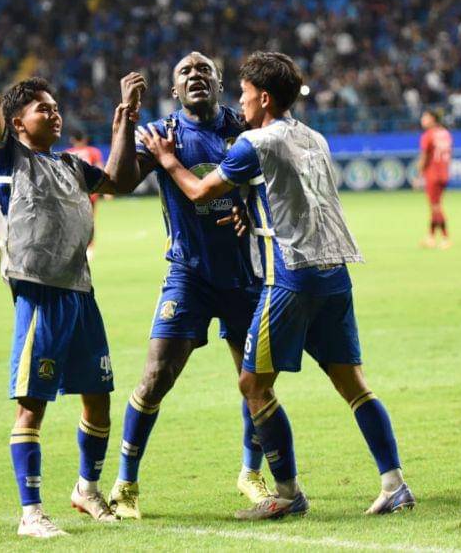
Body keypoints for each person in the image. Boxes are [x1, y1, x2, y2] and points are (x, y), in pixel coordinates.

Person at [137, 51, 415, 520]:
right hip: (335, 272)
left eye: (245, 94)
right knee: (354, 385)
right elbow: (284, 192)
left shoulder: (254, 142)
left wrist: (166, 158)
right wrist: (248, 208)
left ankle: (286, 494)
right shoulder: (314, 137)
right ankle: (394, 484)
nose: (241, 103)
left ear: (264, 98)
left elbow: (200, 191)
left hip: (291, 276)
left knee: (253, 384)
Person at [0, 3, 145, 538]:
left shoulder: (71, 165)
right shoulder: (8, 157)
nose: (54, 115)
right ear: (17, 123)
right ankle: (30, 512)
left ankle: (86, 489)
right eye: (43, 109)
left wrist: (124, 119)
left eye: (57, 108)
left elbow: (119, 180)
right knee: (32, 406)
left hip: (81, 293)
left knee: (98, 399)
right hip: (40, 293)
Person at [107, 51, 272, 519]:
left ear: (219, 84)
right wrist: (126, 117)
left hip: (243, 273)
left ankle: (251, 473)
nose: (195, 75)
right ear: (174, 90)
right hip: (188, 273)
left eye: (205, 70)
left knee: (255, 382)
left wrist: (249, 208)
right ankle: (125, 483)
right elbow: (119, 183)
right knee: (156, 377)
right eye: (186, 72)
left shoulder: (245, 127)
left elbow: (272, 184)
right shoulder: (162, 133)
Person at [65, 131, 104, 259]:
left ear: (72, 140)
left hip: (73, 192)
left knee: (73, 220)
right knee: (90, 220)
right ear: (85, 139)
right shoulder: (93, 151)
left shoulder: (67, 153)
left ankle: (75, 247)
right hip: (90, 191)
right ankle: (90, 247)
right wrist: (104, 191)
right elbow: (100, 169)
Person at [417, 109, 453, 248]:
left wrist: (419, 174)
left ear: (432, 119)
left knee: (436, 206)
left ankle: (445, 237)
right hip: (444, 172)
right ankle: (431, 237)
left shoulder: (428, 135)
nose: (422, 120)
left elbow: (424, 156)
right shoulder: (445, 133)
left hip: (433, 173)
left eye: (425, 117)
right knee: (435, 205)